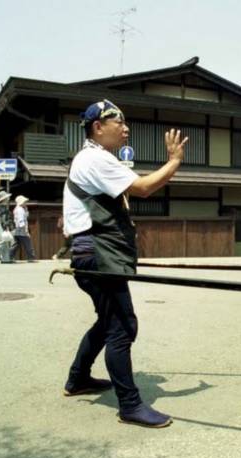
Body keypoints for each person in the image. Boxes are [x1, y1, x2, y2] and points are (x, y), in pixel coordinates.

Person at [62, 99, 188, 428]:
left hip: (90, 253)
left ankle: (78, 379)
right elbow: (144, 188)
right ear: (97, 127)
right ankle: (129, 406)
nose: (125, 127)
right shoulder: (95, 159)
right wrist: (174, 161)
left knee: (107, 323)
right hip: (97, 255)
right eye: (117, 121)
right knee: (122, 327)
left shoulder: (93, 158)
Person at [10, 195, 37, 262]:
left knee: (16, 244)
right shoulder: (20, 210)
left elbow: (25, 216)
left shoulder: (18, 208)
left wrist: (26, 210)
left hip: (17, 229)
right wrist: (25, 230)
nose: (25, 203)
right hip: (21, 229)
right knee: (28, 244)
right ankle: (31, 258)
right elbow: (21, 219)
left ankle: (10, 256)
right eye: (24, 202)